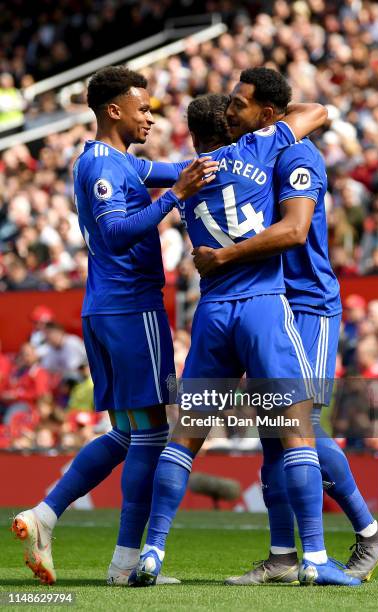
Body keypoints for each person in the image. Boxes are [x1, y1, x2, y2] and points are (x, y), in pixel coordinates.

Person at [129, 89, 360, 587]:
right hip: (263, 309)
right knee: (295, 431)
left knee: (185, 439)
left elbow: (154, 181)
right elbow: (317, 111)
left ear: (194, 136)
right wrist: (260, 126)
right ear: (232, 126)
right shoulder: (257, 147)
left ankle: (152, 550)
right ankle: (315, 557)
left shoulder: (187, 178)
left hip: (211, 314)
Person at [12, 66, 218, 586]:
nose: (151, 116)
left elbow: (176, 169)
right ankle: (127, 563)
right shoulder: (101, 166)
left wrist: (226, 161)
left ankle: (45, 515)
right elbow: (115, 235)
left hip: (107, 308)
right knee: (151, 434)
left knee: (127, 432)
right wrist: (174, 200)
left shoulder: (122, 162)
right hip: (130, 307)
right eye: (143, 108)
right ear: (114, 111)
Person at [193, 67, 378, 584]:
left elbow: (295, 229)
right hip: (274, 303)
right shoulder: (254, 155)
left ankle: (370, 533)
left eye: (238, 104)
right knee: (272, 431)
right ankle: (283, 557)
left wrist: (225, 257)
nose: (227, 112)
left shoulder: (297, 155)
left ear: (266, 114)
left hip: (307, 305)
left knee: (298, 427)